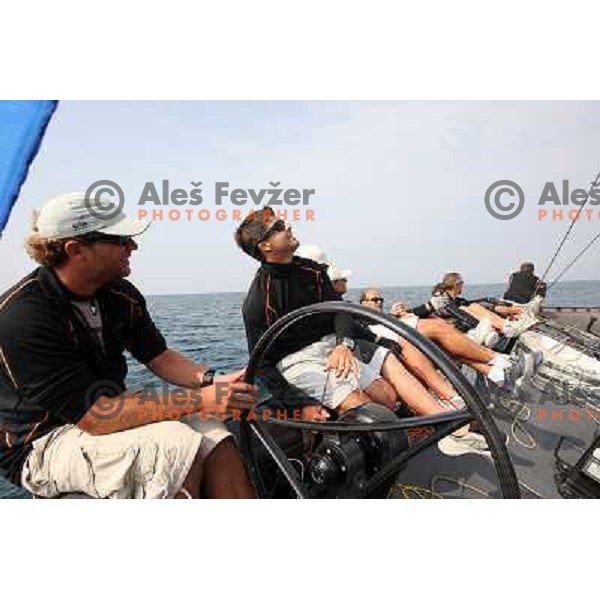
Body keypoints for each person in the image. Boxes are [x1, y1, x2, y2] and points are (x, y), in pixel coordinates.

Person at [0, 192, 257, 499]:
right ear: (76, 249)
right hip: (43, 442)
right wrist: (202, 399)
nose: (133, 247)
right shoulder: (23, 318)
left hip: (103, 408)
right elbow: (95, 417)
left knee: (214, 435)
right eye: (121, 240)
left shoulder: (120, 294)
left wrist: (212, 380)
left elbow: (158, 356)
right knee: (172, 445)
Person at [235, 208, 401, 419]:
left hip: (330, 347)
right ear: (265, 245)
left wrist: (344, 344)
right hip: (295, 363)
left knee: (388, 397)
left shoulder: (313, 270)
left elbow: (339, 310)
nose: (288, 227)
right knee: (368, 412)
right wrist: (300, 403)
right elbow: (260, 364)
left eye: (283, 222)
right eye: (278, 227)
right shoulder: (257, 302)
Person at [363, 288, 523, 387]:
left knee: (448, 342)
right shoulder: (363, 318)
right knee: (436, 328)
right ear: (362, 303)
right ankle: (501, 360)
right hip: (397, 349)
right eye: (374, 300)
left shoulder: (385, 317)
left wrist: (417, 309)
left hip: (412, 342)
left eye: (380, 299)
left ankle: (496, 373)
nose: (379, 302)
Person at [429, 272, 537, 338]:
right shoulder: (442, 300)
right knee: (470, 307)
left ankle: (512, 318)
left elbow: (471, 303)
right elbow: (459, 314)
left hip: (463, 323)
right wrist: (480, 325)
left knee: (476, 305)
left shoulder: (452, 298)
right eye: (462, 285)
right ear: (458, 285)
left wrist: (490, 300)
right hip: (453, 328)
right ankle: (509, 322)